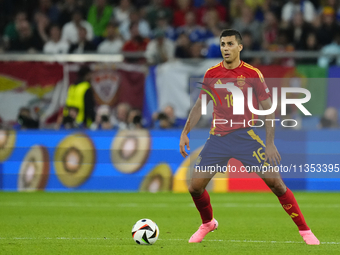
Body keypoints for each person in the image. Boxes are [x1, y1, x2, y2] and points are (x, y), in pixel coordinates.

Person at [179, 29, 320, 245]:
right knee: (194, 187)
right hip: (218, 138)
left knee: (277, 184)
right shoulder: (211, 74)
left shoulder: (252, 73)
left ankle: (305, 231)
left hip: (246, 136)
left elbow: (268, 109)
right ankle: (208, 223)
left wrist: (270, 143)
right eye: (222, 44)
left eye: (230, 44)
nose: (225, 48)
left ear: (240, 47)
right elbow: (200, 105)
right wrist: (185, 132)